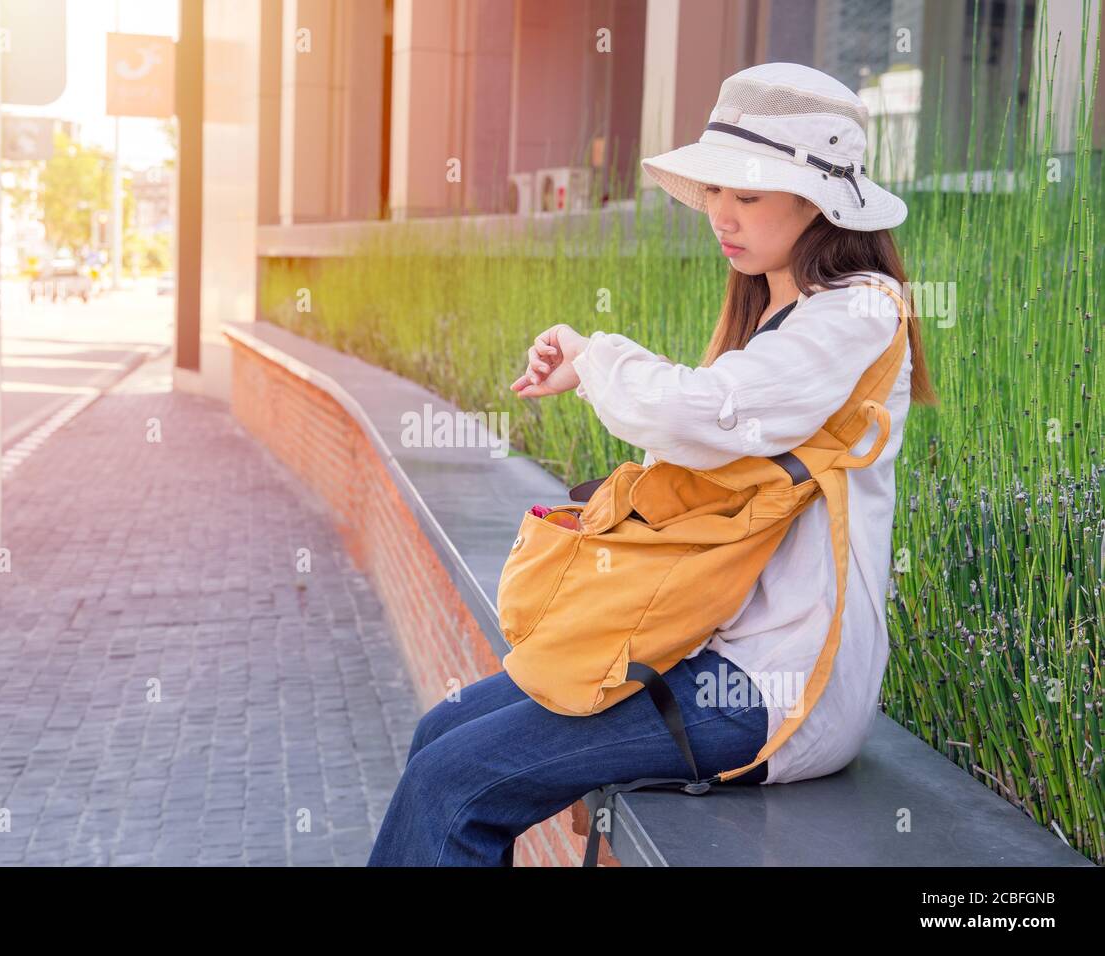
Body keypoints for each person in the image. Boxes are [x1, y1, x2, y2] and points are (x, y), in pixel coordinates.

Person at [366, 62, 939, 867]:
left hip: (773, 684)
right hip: (700, 644)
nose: (720, 215)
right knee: (442, 733)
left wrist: (594, 353)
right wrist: (589, 366)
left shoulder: (860, 311)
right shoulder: (779, 305)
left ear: (821, 201)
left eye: (747, 195)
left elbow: (698, 416)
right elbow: (706, 447)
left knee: (456, 782)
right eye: (715, 192)